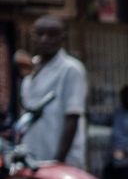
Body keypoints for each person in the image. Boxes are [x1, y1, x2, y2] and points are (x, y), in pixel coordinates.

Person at [19, 17, 87, 168]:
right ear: (33, 37)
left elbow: (73, 117)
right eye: (40, 34)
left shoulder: (71, 69)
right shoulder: (30, 70)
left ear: (62, 38)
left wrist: (58, 162)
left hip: (61, 162)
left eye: (52, 35)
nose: (45, 39)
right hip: (33, 160)